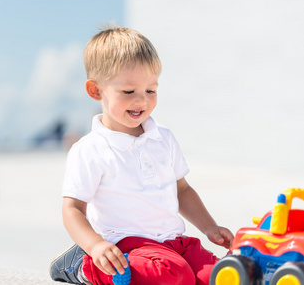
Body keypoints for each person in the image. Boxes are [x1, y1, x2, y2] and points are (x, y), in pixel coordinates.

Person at [49, 26, 234, 285]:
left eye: (151, 90)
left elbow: (182, 191)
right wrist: (95, 246)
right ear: (95, 90)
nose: (142, 101)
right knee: (174, 275)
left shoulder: (163, 138)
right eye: (128, 92)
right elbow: (73, 209)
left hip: (175, 243)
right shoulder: (92, 148)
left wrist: (209, 227)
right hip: (128, 246)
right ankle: (83, 266)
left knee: (220, 277)